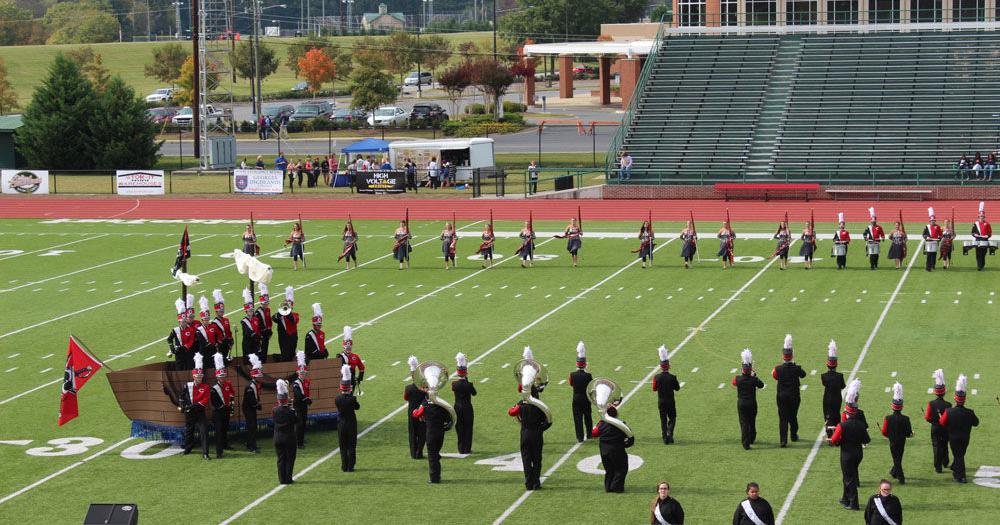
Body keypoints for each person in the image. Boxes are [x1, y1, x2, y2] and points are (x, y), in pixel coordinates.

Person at [831, 380, 870, 510]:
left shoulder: (842, 425)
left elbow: (834, 440)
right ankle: (845, 498)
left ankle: (854, 503)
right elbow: (867, 440)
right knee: (848, 477)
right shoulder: (861, 425)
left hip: (847, 454)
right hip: (858, 454)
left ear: (847, 412)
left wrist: (838, 441)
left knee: (849, 479)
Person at [508, 384, 550, 490]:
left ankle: (528, 483)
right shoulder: (539, 406)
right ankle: (536, 483)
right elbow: (548, 420)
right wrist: (541, 429)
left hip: (525, 433)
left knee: (526, 459)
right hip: (537, 434)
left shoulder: (521, 405)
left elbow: (511, 412)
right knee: (537, 459)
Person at [939, 374, 979, 483]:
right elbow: (976, 423)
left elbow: (942, 422)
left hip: (953, 438)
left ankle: (961, 476)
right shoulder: (970, 412)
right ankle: (955, 469)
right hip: (965, 438)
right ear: (964, 400)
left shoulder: (948, 411)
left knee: (958, 455)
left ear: (955, 399)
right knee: (960, 455)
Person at [412, 387, 453, 483]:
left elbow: (415, 414)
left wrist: (423, 417)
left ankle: (434, 478)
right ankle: (437, 475)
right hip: (440, 433)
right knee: (436, 454)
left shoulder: (425, 406)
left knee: (432, 456)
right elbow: (448, 419)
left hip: (430, 434)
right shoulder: (442, 407)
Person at [772, 334, 806, 448]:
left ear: (783, 356)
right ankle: (793, 434)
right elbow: (803, 375)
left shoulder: (778, 369)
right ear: (792, 356)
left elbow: (775, 376)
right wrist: (795, 365)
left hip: (782, 397)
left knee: (783, 419)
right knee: (793, 416)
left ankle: (783, 441)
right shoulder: (797, 368)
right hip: (794, 396)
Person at [593, 404, 634, 493]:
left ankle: (608, 487)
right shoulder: (621, 424)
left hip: (604, 451)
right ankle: (617, 487)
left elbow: (594, 433)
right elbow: (630, 437)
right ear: (616, 414)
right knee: (621, 468)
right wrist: (625, 445)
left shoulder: (602, 424)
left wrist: (599, 422)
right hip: (617, 450)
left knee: (609, 469)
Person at [181, 353, 211, 460]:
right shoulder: (187, 385)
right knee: (189, 430)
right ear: (194, 376)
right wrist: (183, 405)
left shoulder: (206, 387)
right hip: (189, 412)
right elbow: (182, 397)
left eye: (200, 376)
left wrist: (192, 406)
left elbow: (205, 400)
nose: (199, 378)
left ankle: (205, 453)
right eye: (197, 376)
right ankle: (188, 448)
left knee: (204, 432)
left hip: (199, 412)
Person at [881, 382, 913, 485]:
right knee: (898, 457)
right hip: (902, 441)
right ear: (901, 407)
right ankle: (895, 472)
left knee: (896, 459)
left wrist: (888, 435)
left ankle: (900, 477)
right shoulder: (906, 418)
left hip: (893, 441)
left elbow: (884, 432)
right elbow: (908, 433)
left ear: (892, 406)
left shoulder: (888, 418)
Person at [733, 349, 764, 450]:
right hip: (751, 403)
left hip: (741, 403)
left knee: (743, 423)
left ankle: (745, 443)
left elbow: (734, 383)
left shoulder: (738, 378)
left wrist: (744, 373)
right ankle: (752, 438)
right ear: (750, 369)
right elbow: (761, 385)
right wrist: (754, 375)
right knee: (751, 421)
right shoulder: (753, 379)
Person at [924, 369, 951, 474]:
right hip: (945, 428)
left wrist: (933, 421)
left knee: (936, 446)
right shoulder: (948, 405)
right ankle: (945, 461)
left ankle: (938, 467)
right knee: (944, 444)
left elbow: (927, 417)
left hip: (935, 427)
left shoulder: (931, 404)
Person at [653, 345, 680, 445]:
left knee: (663, 419)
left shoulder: (656, 377)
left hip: (661, 401)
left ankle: (665, 437)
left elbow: (654, 389)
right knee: (672, 418)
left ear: (660, 367)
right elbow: (677, 388)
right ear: (669, 366)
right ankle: (670, 434)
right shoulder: (672, 377)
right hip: (670, 401)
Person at [335, 364, 360, 472]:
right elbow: (357, 407)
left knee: (343, 446)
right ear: (349, 388)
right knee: (351, 445)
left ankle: (344, 466)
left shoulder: (337, 399)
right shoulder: (352, 398)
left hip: (341, 424)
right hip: (351, 423)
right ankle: (351, 466)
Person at [273, 379, 297, 484]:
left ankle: (281, 479)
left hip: (278, 438)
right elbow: (297, 420)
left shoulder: (275, 410)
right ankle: (288, 478)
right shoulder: (290, 411)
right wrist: (292, 408)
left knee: (280, 459)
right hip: (289, 437)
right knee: (290, 458)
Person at [209, 352, 234, 458]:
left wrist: (231, 405)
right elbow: (213, 402)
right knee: (218, 431)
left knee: (225, 429)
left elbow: (232, 393)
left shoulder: (228, 384)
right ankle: (219, 452)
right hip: (218, 412)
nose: (223, 378)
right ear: (217, 378)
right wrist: (221, 407)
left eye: (224, 376)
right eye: (221, 376)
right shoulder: (214, 389)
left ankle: (225, 445)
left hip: (227, 410)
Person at [569, 342, 594, 443]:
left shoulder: (572, 374)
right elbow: (591, 386)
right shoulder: (588, 375)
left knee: (577, 418)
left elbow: (571, 384)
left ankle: (580, 437)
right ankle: (589, 434)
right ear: (585, 365)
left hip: (576, 398)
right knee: (588, 416)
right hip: (586, 398)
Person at [452, 353, 477, 454]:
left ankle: (461, 448)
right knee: (468, 427)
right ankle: (467, 448)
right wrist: (467, 379)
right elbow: (474, 393)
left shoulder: (454, 384)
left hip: (457, 407)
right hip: (467, 407)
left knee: (459, 427)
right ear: (466, 373)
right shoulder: (469, 385)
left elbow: (457, 386)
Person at [821, 340, 845, 441]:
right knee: (836, 415)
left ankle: (829, 434)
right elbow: (843, 386)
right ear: (836, 365)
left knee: (827, 416)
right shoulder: (840, 376)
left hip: (827, 399)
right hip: (837, 399)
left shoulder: (824, 376)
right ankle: (836, 433)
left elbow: (825, 384)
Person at [403, 356, 427, 459]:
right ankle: (420, 452)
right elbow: (426, 398)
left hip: (411, 412)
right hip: (422, 412)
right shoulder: (424, 388)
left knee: (412, 433)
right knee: (422, 433)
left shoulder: (408, 388)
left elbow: (406, 398)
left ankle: (413, 453)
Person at [243, 354, 263, 454]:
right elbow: (251, 401)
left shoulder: (255, 385)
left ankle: (249, 443)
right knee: (252, 427)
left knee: (252, 426)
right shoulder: (251, 387)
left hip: (251, 408)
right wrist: (257, 405)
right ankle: (252, 446)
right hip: (248, 409)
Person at [272, 287, 299, 362]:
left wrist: (288, 311)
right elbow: (273, 318)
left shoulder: (295, 315)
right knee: (285, 356)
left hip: (292, 339)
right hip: (283, 339)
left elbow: (293, 320)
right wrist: (281, 312)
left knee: (291, 356)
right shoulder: (281, 315)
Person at [291, 351, 312, 449]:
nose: (303, 374)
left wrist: (308, 399)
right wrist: (306, 399)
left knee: (304, 422)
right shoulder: (296, 383)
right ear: (298, 373)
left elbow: (306, 392)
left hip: (304, 405)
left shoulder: (306, 381)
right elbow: (298, 396)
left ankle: (301, 439)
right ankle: (298, 442)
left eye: (304, 373)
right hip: (298, 405)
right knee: (299, 424)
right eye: (301, 373)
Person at [168, 298, 196, 370]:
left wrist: (184, 347)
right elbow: (169, 339)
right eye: (182, 322)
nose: (184, 323)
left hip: (188, 351)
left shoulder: (190, 329)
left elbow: (191, 341)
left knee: (188, 367)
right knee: (179, 368)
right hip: (178, 353)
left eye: (185, 321)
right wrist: (172, 348)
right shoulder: (175, 330)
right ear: (179, 322)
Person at [338, 326, 365, 390]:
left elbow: (362, 367)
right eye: (347, 348)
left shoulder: (355, 357)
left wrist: (359, 378)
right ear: (344, 347)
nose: (348, 350)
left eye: (349, 348)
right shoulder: (340, 356)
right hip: (342, 380)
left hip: (352, 380)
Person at [238, 289, 261, 361]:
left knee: (256, 360)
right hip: (247, 343)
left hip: (255, 342)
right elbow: (247, 331)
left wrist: (259, 337)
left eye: (252, 310)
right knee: (248, 360)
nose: (251, 312)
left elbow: (258, 329)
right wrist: (253, 334)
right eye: (249, 310)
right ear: (246, 311)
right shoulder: (243, 321)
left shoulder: (256, 319)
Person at [253, 285, 273, 361]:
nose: (266, 305)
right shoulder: (258, 312)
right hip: (261, 335)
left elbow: (269, 321)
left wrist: (270, 330)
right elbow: (257, 325)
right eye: (265, 303)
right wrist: (262, 333)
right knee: (261, 352)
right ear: (261, 302)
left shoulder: (268, 310)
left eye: (267, 303)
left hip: (267, 334)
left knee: (265, 351)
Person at [971, 202, 992, 271]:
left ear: (984, 217)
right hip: (978, 240)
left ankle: (982, 265)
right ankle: (979, 266)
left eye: (982, 216)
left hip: (985, 240)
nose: (981, 217)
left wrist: (987, 236)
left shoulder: (987, 224)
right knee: (978, 253)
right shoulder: (976, 223)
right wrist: (975, 235)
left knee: (983, 253)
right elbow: (972, 232)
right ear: (978, 217)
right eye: (980, 216)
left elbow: (990, 233)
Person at [921, 208, 942, 272]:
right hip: (929, 242)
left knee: (934, 254)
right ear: (929, 221)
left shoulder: (937, 226)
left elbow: (941, 234)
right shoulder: (927, 226)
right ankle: (928, 267)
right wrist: (927, 237)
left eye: (934, 221)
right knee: (929, 255)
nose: (933, 222)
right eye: (932, 221)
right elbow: (923, 234)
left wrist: (939, 238)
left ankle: (933, 265)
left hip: (935, 242)